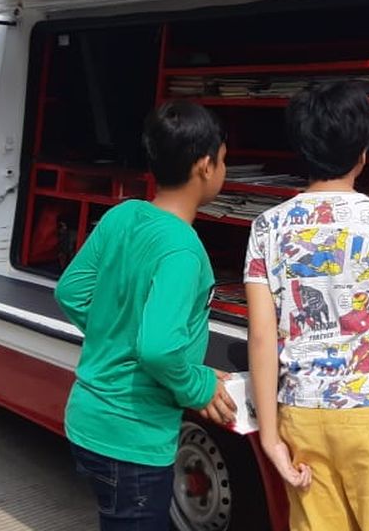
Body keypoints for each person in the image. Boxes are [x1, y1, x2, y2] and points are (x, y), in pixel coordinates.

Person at [245, 80, 369, 531]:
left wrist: (272, 438)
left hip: (303, 414)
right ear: (363, 152)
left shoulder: (267, 228)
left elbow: (262, 337)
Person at [55, 101, 237, 530]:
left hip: (87, 419)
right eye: (225, 160)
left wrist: (114, 335)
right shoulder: (182, 250)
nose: (225, 169)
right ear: (206, 166)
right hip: (132, 439)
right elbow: (157, 349)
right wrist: (201, 385)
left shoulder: (123, 215)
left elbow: (72, 291)